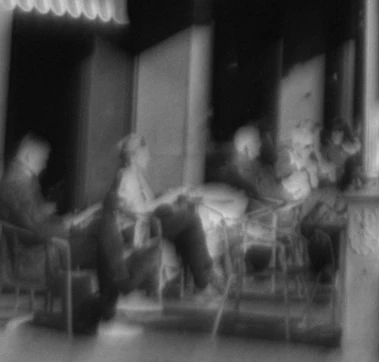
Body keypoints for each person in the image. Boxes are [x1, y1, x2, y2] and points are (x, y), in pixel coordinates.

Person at [0, 136, 125, 327]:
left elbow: (35, 222)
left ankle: (108, 300)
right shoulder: (17, 184)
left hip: (43, 249)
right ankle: (115, 290)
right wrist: (66, 227)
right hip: (38, 256)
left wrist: (67, 222)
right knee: (103, 233)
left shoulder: (19, 182)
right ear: (27, 156)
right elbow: (36, 231)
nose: (43, 166)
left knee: (103, 231)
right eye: (41, 160)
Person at [105, 133, 218, 302]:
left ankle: (200, 280)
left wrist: (171, 196)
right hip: (140, 228)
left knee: (187, 228)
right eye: (145, 153)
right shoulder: (127, 178)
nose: (149, 157)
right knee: (191, 221)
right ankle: (204, 278)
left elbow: (148, 203)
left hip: (150, 223)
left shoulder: (136, 176)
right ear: (134, 156)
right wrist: (168, 197)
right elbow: (138, 211)